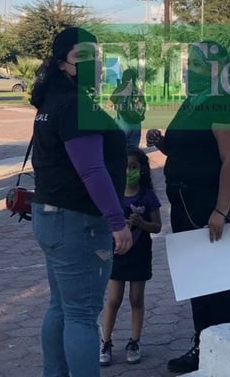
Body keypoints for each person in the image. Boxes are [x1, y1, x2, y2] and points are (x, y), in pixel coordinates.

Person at [29, 26, 133, 377]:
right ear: (63, 64)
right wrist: (117, 222)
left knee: (61, 307)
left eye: (96, 55)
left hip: (51, 215)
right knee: (82, 314)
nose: (95, 63)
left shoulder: (53, 99)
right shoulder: (75, 104)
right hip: (79, 222)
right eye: (82, 57)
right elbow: (92, 171)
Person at [145, 41, 230, 374]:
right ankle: (203, 346)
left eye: (196, 66)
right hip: (185, 203)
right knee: (198, 281)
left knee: (216, 282)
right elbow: (182, 147)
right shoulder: (194, 103)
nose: (188, 71)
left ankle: (229, 349)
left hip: (208, 205)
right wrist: (161, 141)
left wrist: (220, 211)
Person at [100, 147, 162, 367]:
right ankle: (105, 341)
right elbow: (102, 222)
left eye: (134, 167)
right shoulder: (113, 196)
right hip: (117, 254)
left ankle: (134, 341)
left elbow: (157, 226)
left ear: (142, 169)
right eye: (124, 167)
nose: (129, 171)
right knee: (113, 299)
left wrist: (141, 223)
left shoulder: (148, 196)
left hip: (139, 254)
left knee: (136, 298)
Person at [109, 68, 147, 148]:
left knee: (119, 148)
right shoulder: (137, 90)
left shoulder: (120, 88)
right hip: (137, 124)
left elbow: (109, 104)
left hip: (123, 123)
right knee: (133, 151)